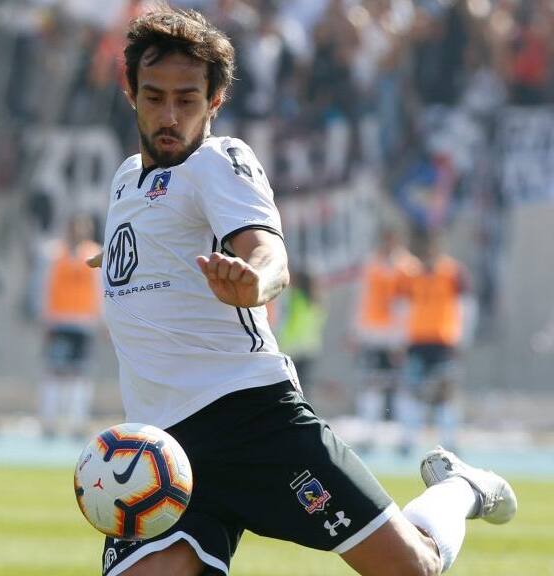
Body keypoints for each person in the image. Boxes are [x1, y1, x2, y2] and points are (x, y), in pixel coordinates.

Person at [87, 8, 516, 576]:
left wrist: (254, 280)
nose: (169, 115)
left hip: (253, 422)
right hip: (167, 455)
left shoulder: (222, 161)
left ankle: (461, 487)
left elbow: (269, 253)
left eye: (187, 99)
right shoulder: (124, 180)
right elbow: (153, 240)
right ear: (130, 92)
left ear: (215, 101)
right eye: (155, 96)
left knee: (412, 568)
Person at [396, 233, 473, 455]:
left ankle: (450, 440)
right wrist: (400, 339)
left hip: (443, 341)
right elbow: (403, 308)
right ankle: (408, 439)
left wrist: (462, 338)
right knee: (412, 391)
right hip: (417, 341)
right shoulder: (412, 275)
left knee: (445, 393)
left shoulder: (453, 272)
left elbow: (466, 307)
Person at [350, 226, 418, 451]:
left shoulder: (408, 267)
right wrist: (356, 331)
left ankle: (406, 438)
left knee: (401, 386)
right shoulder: (371, 264)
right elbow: (362, 298)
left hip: (396, 337)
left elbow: (408, 306)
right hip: (373, 334)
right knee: (372, 384)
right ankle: (369, 435)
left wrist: (403, 338)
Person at [39, 213, 102, 438]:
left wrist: (102, 320)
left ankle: (78, 422)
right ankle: (49, 422)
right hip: (59, 321)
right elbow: (44, 287)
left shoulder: (94, 253)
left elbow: (100, 289)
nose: (77, 232)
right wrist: (45, 319)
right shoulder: (54, 254)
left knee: (80, 373)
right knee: (55, 372)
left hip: (84, 323)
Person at [276, 268, 326, 399]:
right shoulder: (316, 301)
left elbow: (284, 320)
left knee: (291, 385)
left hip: (293, 348)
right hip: (310, 348)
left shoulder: (294, 298)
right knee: (304, 384)